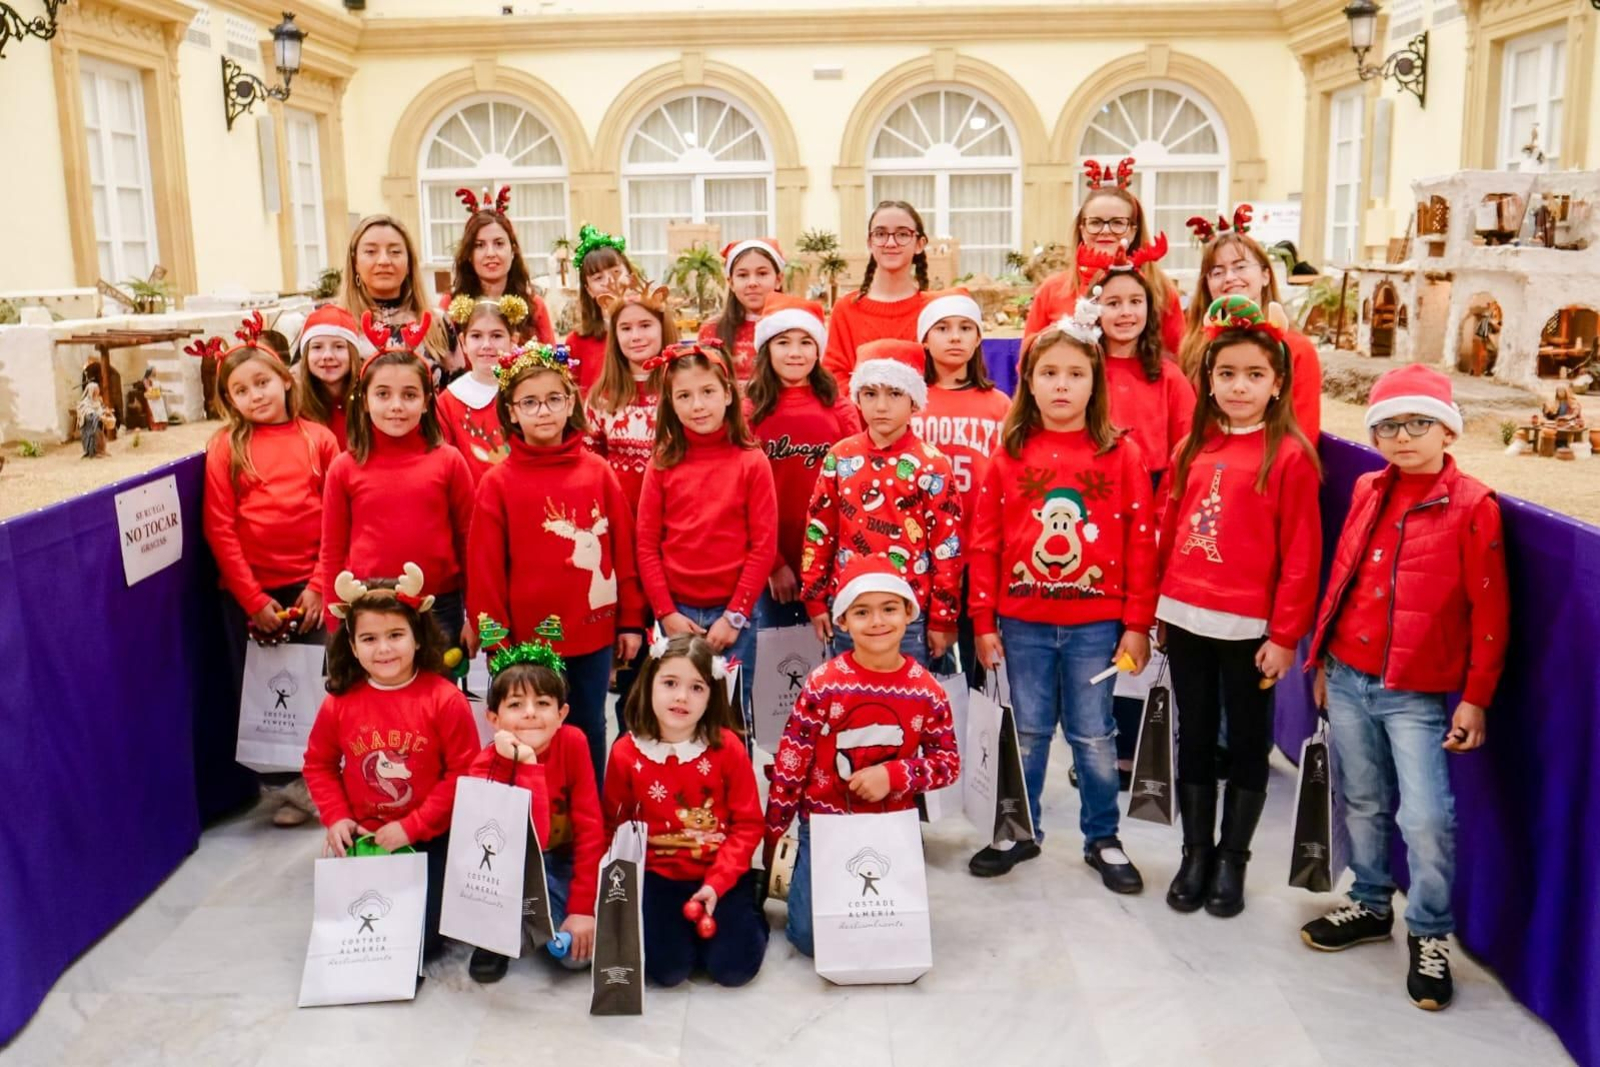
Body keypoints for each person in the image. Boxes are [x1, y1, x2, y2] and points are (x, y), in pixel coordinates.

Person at [1301, 364, 1509, 1012]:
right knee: (1361, 796)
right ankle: (1369, 902)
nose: (1403, 435)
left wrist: (1475, 696)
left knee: (1426, 816)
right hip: (1348, 673)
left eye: (1418, 422)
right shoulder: (1368, 486)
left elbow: (1489, 609)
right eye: (1388, 424)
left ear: (1447, 428)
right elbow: (1344, 574)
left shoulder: (1473, 504)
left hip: (1414, 691)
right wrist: (1322, 662)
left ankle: (1430, 929)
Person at [966, 297, 1158, 889]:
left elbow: (1142, 544)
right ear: (1028, 380)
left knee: (1094, 734)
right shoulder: (1009, 455)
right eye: (1049, 373)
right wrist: (983, 620)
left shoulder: (1120, 454)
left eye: (1076, 374)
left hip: (1096, 626)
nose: (1061, 385)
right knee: (1025, 732)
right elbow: (986, 542)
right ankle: (1019, 830)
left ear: (1095, 382)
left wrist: (1136, 624)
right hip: (1020, 623)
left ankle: (1103, 837)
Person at [1158, 294, 1322, 919]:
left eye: (1254, 375)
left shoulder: (1291, 458)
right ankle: (1195, 851)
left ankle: (1233, 858)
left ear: (1277, 383)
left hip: (1251, 630)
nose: (1239, 386)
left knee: (1247, 742)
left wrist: (1284, 636)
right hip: (1187, 618)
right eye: (1226, 374)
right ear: (1208, 380)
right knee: (1195, 735)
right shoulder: (1191, 448)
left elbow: (1301, 557)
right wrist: (1158, 613)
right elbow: (1168, 530)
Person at [763, 554, 960, 956]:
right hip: (824, 823)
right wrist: (773, 829)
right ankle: (802, 873)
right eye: (862, 612)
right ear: (842, 622)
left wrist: (896, 775)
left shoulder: (927, 691)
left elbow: (947, 764)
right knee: (810, 938)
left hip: (892, 827)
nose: (876, 622)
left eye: (889, 609)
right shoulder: (822, 684)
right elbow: (792, 759)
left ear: (908, 613)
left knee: (891, 932)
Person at [467, 341, 644, 783]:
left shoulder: (597, 472)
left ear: (570, 403)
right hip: (525, 644)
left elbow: (623, 549)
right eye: (529, 402)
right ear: (510, 411)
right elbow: (485, 571)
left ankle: (592, 823)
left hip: (592, 634)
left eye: (553, 399)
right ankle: (533, 820)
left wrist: (630, 622)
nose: (543, 411)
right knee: (527, 735)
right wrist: (496, 643)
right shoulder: (497, 484)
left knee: (587, 728)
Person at [302, 566, 481, 962]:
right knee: (363, 937)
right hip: (366, 835)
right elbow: (319, 765)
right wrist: (337, 817)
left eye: (395, 635)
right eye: (369, 638)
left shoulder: (445, 700)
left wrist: (412, 827)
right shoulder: (340, 703)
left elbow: (463, 775)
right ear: (351, 644)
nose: (383, 649)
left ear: (418, 638)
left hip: (430, 835)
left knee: (421, 946)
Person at [201, 323, 340, 827]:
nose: (254, 395)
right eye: (240, 390)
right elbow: (219, 527)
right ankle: (286, 787)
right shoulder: (226, 448)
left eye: (261, 383)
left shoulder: (317, 439)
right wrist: (252, 599)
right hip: (253, 594)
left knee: (316, 687)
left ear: (284, 379)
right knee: (267, 694)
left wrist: (320, 586)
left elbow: (334, 518)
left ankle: (322, 778)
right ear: (228, 400)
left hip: (309, 590)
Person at [602, 634, 766, 988]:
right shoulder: (625, 753)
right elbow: (613, 827)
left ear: (711, 696)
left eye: (696, 688)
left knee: (734, 971)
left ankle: (749, 905)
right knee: (667, 972)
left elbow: (748, 824)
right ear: (649, 685)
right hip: (658, 877)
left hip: (719, 872)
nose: (681, 697)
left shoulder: (728, 748)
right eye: (670, 683)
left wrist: (719, 883)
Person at [636, 339, 778, 730]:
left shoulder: (751, 461)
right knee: (676, 716)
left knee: (730, 717)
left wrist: (734, 616)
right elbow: (647, 545)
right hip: (676, 611)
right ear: (670, 402)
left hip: (735, 615)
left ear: (729, 394)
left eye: (707, 392)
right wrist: (666, 612)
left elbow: (764, 545)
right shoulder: (663, 462)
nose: (697, 405)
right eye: (684, 395)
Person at [800, 338, 962, 668]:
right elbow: (819, 531)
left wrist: (943, 619)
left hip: (910, 613)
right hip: (849, 607)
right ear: (857, 397)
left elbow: (948, 548)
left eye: (895, 394)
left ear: (914, 401)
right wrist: (815, 600)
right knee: (851, 704)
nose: (881, 406)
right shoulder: (840, 457)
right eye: (871, 394)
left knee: (908, 705)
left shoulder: (933, 465)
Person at [319, 314, 475, 653]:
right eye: (383, 394)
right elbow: (332, 550)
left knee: (436, 698)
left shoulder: (448, 461)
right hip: (366, 607)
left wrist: (474, 615)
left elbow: (468, 543)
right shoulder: (344, 468)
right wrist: (335, 622)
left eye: (409, 395)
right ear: (364, 400)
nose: (396, 406)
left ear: (426, 400)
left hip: (439, 606)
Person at [464, 623, 606, 983]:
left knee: (575, 959)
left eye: (542, 703)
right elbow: (526, 841)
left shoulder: (573, 743)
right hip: (507, 867)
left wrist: (581, 909)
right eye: (516, 704)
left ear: (561, 714)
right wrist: (526, 766)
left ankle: (539, 922)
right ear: (493, 719)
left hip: (560, 862)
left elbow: (590, 830)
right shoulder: (486, 763)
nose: (530, 713)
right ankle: (496, 935)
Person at [910, 287, 1010, 687]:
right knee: (926, 658)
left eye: (965, 327)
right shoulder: (912, 402)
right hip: (922, 553)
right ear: (924, 339)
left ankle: (979, 744)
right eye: (943, 328)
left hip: (980, 552)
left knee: (979, 663)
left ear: (978, 338)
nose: (955, 337)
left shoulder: (1000, 404)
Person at [744, 294, 860, 630]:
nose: (795, 352)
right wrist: (774, 564)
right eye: (783, 342)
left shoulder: (839, 409)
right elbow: (744, 498)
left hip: (834, 560)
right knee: (777, 666)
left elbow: (853, 492)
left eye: (805, 342)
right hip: (770, 564)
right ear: (766, 347)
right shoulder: (749, 412)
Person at [1178, 208, 1322, 440]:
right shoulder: (1195, 346)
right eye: (1217, 271)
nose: (1229, 278)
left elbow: (1302, 433)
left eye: (1240, 266)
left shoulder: (1296, 349)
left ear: (1265, 275)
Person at [1025, 157, 1184, 355]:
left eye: (1118, 222)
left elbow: (1178, 357)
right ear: (1082, 228)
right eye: (1096, 222)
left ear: (1134, 230)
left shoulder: (1161, 291)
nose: (1106, 231)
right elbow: (1027, 358)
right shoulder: (1051, 290)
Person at [584, 278, 678, 511]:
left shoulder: (680, 390)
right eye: (625, 328)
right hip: (620, 515)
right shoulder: (602, 397)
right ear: (615, 335)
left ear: (662, 328)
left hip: (675, 515)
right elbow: (590, 464)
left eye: (645, 325)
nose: (635, 336)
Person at [821, 200, 930, 384]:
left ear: (920, 244)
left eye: (902, 234)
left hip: (922, 413)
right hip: (856, 412)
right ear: (870, 243)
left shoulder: (934, 309)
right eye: (880, 234)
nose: (890, 243)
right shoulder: (846, 309)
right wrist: (868, 409)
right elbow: (834, 376)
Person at [445, 184, 555, 347]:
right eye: (479, 245)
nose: (490, 253)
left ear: (513, 251)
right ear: (469, 254)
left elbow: (552, 366)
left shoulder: (534, 306)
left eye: (499, 243)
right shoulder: (450, 305)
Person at [340, 214, 452, 373]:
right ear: (355, 262)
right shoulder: (337, 323)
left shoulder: (436, 322)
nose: (384, 261)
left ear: (409, 264)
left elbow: (459, 389)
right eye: (371, 252)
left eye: (395, 251)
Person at [439, 294, 527, 483]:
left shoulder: (526, 392)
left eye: (496, 336)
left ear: (514, 341)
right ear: (463, 342)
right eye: (476, 336)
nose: (486, 345)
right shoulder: (448, 401)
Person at [565, 224, 638, 395]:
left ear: (630, 274)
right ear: (589, 289)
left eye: (616, 271)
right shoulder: (577, 342)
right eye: (598, 278)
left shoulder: (651, 328)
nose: (609, 281)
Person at [700, 237, 785, 382]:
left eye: (762, 273)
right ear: (731, 283)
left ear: (778, 280)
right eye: (743, 275)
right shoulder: (712, 331)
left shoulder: (794, 328)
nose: (752, 283)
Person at [292, 304, 360, 447]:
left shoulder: (368, 401)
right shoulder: (294, 405)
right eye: (317, 347)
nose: (327, 355)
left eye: (339, 346)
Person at [77, 381, 109, 459]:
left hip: (97, 424)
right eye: (96, 391)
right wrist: (96, 416)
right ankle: (93, 452)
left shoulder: (97, 401)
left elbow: (99, 410)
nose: (98, 393)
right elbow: (87, 414)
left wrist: (105, 412)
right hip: (88, 427)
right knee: (93, 436)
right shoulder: (85, 403)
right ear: (92, 391)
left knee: (100, 436)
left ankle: (101, 451)